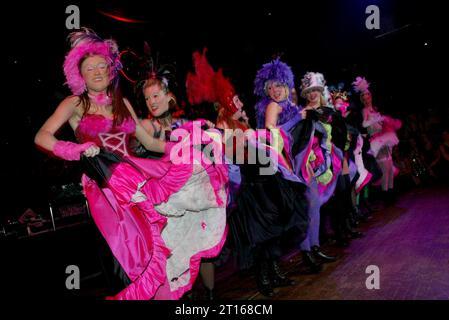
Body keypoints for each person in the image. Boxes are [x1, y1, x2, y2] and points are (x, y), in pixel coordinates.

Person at [34, 28, 228, 300]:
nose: (98, 72)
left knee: (155, 246)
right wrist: (75, 148)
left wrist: (187, 144)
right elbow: (41, 136)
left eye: (102, 66)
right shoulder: (75, 103)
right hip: (106, 192)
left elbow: (150, 143)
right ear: (80, 74)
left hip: (137, 180)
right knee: (130, 254)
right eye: (90, 68)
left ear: (110, 69)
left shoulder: (121, 102)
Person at [187, 50, 308, 297]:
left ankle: (274, 271)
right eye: (236, 102)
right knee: (260, 236)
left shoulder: (241, 123)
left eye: (240, 101)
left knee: (273, 231)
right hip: (250, 191)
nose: (241, 104)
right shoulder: (223, 127)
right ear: (225, 106)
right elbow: (235, 156)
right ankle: (263, 277)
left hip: (263, 185)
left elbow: (257, 152)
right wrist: (251, 139)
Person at [353, 76, 402, 203]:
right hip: (376, 142)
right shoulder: (365, 110)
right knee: (386, 169)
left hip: (384, 139)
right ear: (362, 99)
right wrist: (375, 119)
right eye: (365, 96)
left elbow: (381, 125)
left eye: (368, 95)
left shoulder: (374, 109)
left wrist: (383, 121)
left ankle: (391, 194)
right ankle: (387, 197)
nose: (367, 98)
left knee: (390, 168)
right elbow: (364, 124)